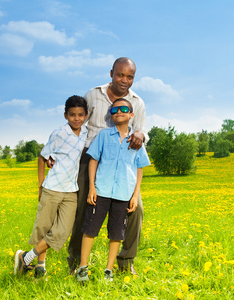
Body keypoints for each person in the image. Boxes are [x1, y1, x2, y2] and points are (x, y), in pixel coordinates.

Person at [65, 57, 148, 275]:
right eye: (120, 75)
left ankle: (125, 260)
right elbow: (77, 123)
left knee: (136, 209)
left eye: (130, 77)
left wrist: (140, 133)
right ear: (111, 73)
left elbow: (139, 132)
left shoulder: (137, 103)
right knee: (84, 207)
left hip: (121, 162)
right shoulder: (93, 95)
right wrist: (60, 150)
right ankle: (76, 262)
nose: (124, 80)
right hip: (90, 157)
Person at [75, 99, 150, 282]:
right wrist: (92, 187)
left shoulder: (137, 140)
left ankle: (109, 270)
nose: (118, 111)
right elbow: (93, 160)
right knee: (90, 229)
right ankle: (82, 268)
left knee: (117, 233)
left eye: (124, 109)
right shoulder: (103, 135)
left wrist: (134, 196)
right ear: (111, 114)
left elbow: (139, 168)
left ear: (132, 115)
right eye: (114, 109)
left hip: (123, 194)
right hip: (101, 191)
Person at [14, 95, 88, 279]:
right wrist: (40, 186)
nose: (76, 118)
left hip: (71, 190)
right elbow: (42, 157)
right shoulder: (58, 133)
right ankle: (40, 266)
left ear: (86, 115)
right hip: (52, 188)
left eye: (80, 114)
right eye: (72, 115)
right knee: (44, 227)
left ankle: (25, 257)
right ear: (65, 115)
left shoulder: (87, 133)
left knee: (62, 231)